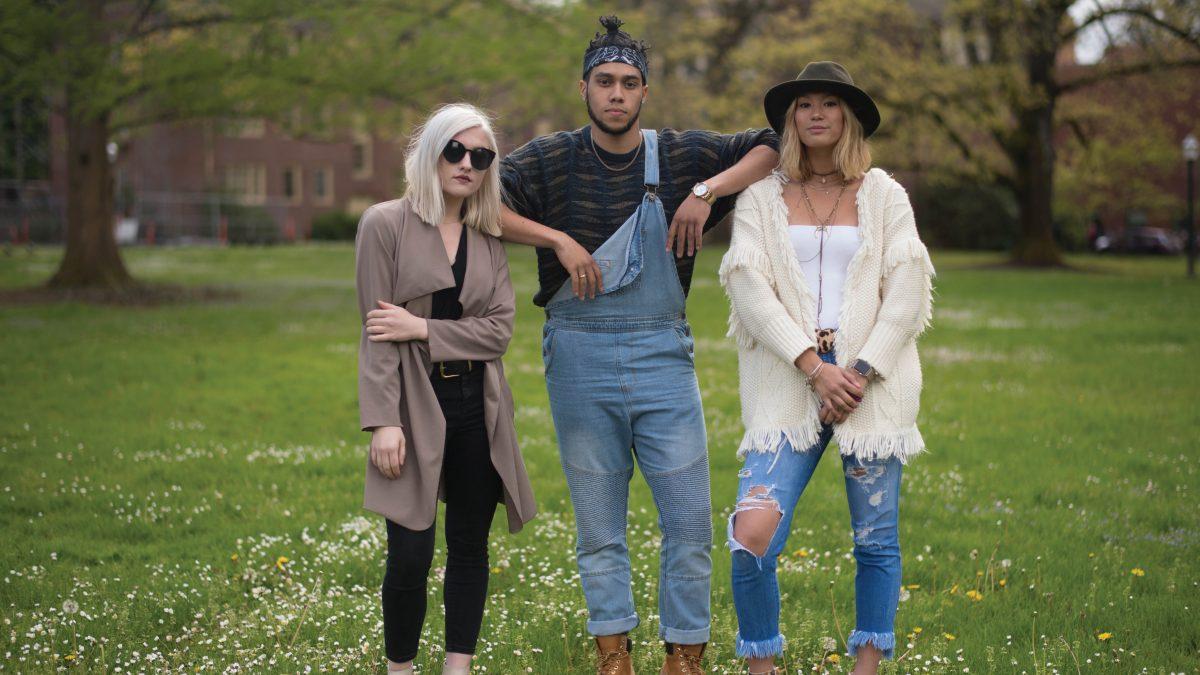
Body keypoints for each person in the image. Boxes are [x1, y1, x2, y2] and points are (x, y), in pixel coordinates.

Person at [498, 15, 779, 675]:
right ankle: (614, 656)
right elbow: (479, 202)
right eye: (604, 82)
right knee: (600, 528)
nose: (616, 94)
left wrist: (706, 193)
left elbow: (772, 144)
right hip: (578, 354)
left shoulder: (681, 154)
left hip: (662, 356)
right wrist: (556, 240)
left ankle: (684, 657)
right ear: (584, 87)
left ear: (645, 92)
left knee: (689, 524)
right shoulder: (546, 158)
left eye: (629, 83)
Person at [718, 62, 934, 675]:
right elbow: (749, 286)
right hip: (791, 377)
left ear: (849, 119)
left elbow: (908, 288)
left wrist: (858, 372)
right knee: (751, 533)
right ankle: (764, 665)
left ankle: (868, 665)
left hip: (871, 382)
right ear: (791, 119)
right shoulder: (762, 197)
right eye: (804, 104)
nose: (815, 113)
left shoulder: (884, 194)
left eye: (829, 104)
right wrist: (815, 365)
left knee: (875, 539)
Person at [355, 103, 536, 675]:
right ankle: (401, 669)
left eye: (480, 156)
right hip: (412, 404)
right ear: (430, 152)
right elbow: (377, 333)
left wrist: (423, 328)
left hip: (477, 407)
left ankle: (457, 668)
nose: (466, 164)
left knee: (469, 547)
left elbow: (499, 331)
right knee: (409, 554)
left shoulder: (487, 236)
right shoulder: (384, 223)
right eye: (454, 150)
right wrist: (384, 421)